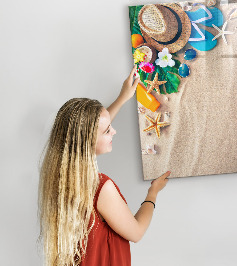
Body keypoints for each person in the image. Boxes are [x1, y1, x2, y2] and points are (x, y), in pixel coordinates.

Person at [38, 66, 170, 266]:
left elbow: (91, 129)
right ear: (88, 141)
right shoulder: (100, 188)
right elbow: (136, 232)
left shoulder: (59, 176)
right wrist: (153, 192)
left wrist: (123, 97)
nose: (114, 132)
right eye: (108, 131)